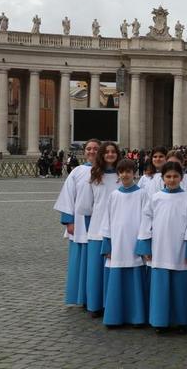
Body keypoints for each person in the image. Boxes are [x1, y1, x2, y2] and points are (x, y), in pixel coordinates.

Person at [135, 161, 187, 334]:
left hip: (180, 249)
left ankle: (181, 320)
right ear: (162, 179)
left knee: (180, 286)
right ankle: (160, 320)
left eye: (175, 176)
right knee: (160, 286)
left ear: (181, 178)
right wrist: (145, 245)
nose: (172, 179)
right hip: (159, 248)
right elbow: (146, 221)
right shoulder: (155, 198)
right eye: (168, 176)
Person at [100, 159, 148, 327]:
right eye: (122, 172)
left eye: (128, 171)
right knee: (117, 279)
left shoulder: (142, 194)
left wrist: (143, 243)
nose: (125, 175)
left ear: (134, 173)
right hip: (118, 243)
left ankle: (137, 316)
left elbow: (146, 220)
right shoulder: (114, 195)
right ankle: (115, 316)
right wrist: (107, 243)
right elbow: (107, 221)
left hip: (134, 242)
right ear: (118, 175)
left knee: (135, 280)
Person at [53, 138, 101, 306]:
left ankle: (96, 296)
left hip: (101, 224)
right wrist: (68, 221)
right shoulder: (77, 171)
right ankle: (81, 296)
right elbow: (68, 196)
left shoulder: (108, 172)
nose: (92, 151)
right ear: (84, 151)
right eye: (89, 148)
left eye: (95, 148)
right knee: (80, 260)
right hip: (79, 223)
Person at [84, 142, 121, 317]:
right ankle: (95, 305)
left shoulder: (123, 175)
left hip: (118, 228)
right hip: (97, 226)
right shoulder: (94, 174)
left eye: (113, 152)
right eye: (107, 152)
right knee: (95, 270)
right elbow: (87, 205)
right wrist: (88, 229)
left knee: (113, 269)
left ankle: (111, 305)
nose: (110, 154)